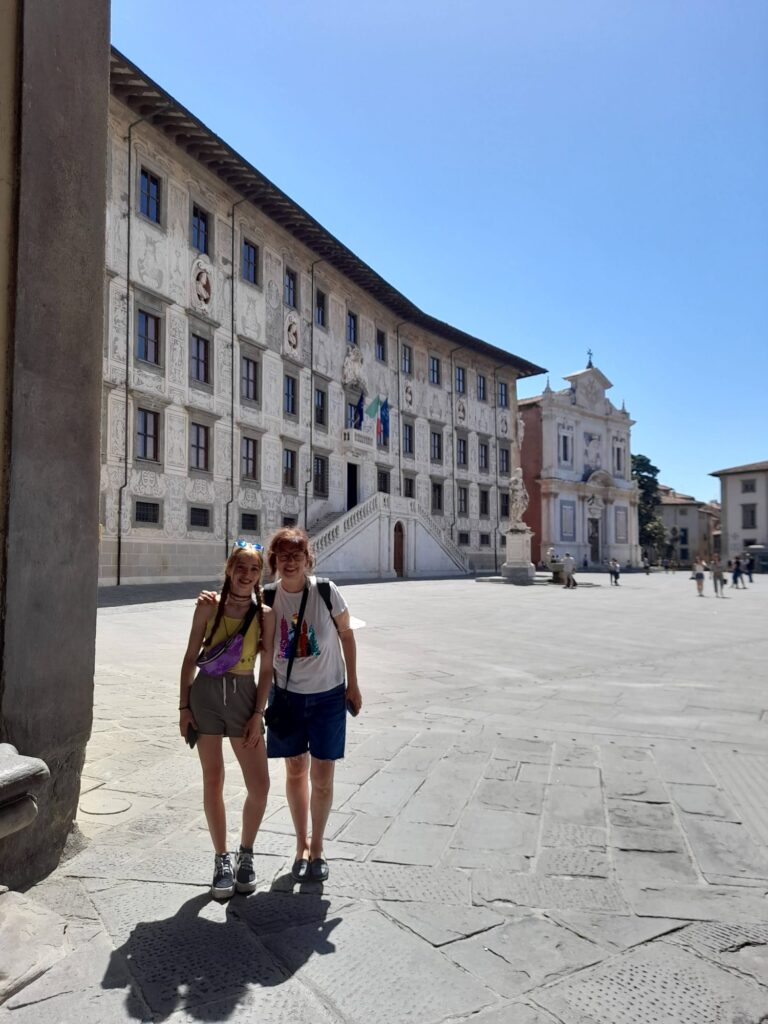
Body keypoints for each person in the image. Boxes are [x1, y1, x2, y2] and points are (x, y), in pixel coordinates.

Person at [264, 527, 362, 883]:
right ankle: (300, 845)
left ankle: (317, 847)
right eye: (283, 556)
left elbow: (346, 634)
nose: (290, 562)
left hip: (328, 696)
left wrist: (353, 683)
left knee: (322, 776)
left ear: (308, 559)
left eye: (297, 556)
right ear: (274, 561)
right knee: (294, 770)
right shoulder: (267, 597)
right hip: (286, 697)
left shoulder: (325, 591)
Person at [180, 541, 275, 899]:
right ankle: (221, 858)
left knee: (260, 786)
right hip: (205, 695)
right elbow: (190, 657)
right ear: (229, 569)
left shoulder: (266, 615)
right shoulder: (208, 607)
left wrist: (257, 713)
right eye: (240, 567)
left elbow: (267, 670)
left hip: (243, 696)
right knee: (213, 778)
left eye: (253, 569)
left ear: (259, 575)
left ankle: (245, 852)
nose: (246, 574)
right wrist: (183, 708)